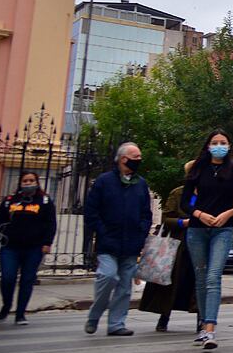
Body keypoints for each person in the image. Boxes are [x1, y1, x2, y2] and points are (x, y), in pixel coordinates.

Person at [182, 129, 233, 350]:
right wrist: (199, 214)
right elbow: (184, 202)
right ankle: (203, 326)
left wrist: (228, 213)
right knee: (201, 278)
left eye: (223, 142)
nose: (219, 145)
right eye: (215, 142)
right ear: (208, 146)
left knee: (213, 277)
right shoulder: (196, 169)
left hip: (223, 230)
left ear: (229, 146)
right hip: (197, 230)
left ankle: (210, 329)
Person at [84, 142, 152, 336]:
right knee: (107, 276)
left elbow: (146, 213)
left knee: (124, 287)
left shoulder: (140, 183)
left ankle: (116, 324)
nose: (139, 160)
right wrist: (102, 232)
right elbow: (91, 211)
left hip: (131, 243)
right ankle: (95, 315)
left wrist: (141, 233)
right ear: (123, 159)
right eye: (136, 157)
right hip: (108, 242)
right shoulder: (104, 181)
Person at [0, 172, 56, 325]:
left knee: (27, 280)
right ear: (20, 183)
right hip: (10, 247)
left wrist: (47, 243)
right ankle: (6, 305)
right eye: (25, 181)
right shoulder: (10, 201)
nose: (28, 183)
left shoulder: (45, 201)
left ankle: (20, 313)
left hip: (34, 248)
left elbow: (50, 223)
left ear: (37, 182)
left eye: (31, 180)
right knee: (7, 278)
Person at [138, 184, 197, 333]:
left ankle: (202, 321)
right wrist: (183, 222)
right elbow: (166, 219)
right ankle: (164, 317)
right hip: (178, 245)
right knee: (171, 282)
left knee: (199, 283)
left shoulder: (210, 192)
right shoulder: (178, 193)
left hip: (201, 244)